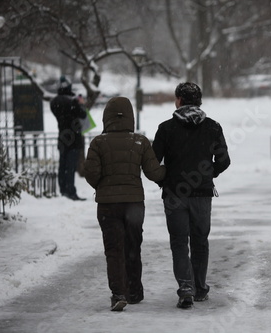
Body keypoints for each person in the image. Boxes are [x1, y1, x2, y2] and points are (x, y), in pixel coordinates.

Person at [153, 82, 230, 309]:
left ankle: (185, 287)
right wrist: (208, 174)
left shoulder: (166, 129)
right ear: (199, 101)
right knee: (200, 241)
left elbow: (153, 163)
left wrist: (164, 181)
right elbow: (224, 160)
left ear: (179, 100)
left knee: (179, 242)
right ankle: (200, 288)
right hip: (202, 194)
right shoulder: (213, 127)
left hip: (175, 194)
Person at [84, 96, 165, 311]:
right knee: (132, 247)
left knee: (113, 249)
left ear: (106, 117)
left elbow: (91, 173)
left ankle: (118, 293)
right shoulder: (140, 142)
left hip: (107, 206)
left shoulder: (98, 143)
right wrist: (172, 172)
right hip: (134, 204)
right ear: (130, 117)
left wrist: (103, 185)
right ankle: (134, 291)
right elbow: (154, 173)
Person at [50, 76, 87, 201]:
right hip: (73, 139)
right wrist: (80, 103)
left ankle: (63, 191)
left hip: (62, 138)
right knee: (70, 167)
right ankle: (71, 192)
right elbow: (83, 114)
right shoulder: (72, 102)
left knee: (63, 166)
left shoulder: (54, 102)